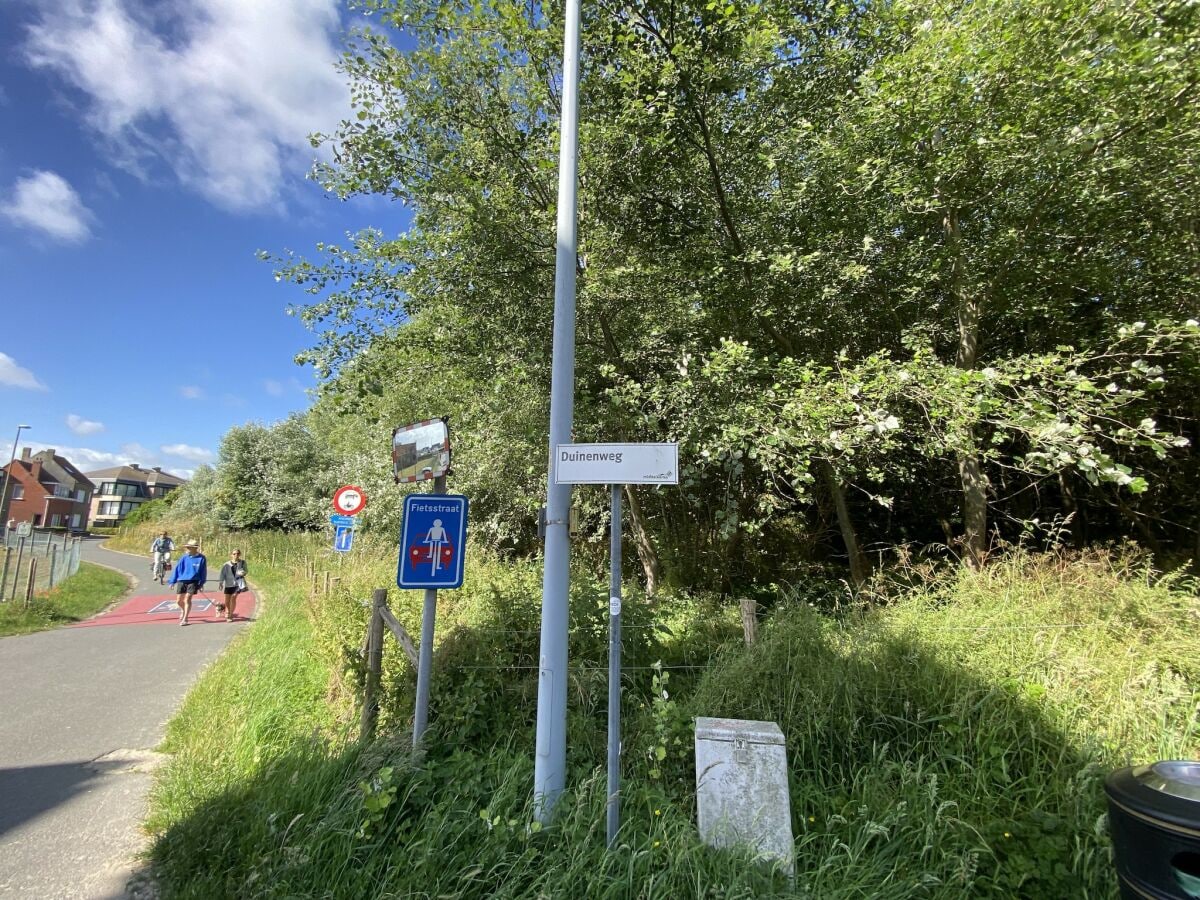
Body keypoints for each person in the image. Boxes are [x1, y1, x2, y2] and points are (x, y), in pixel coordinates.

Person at [167, 539, 207, 626]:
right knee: (178, 601)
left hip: (193, 581)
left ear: (194, 548)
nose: (188, 548)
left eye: (190, 547)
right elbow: (177, 569)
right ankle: (183, 609)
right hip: (182, 580)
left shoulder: (201, 558)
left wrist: (201, 583)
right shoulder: (183, 557)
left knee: (188, 598)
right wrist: (172, 581)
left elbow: (203, 572)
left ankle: (185, 619)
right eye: (187, 547)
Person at [215, 549, 247, 622]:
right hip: (228, 584)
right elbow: (222, 574)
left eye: (238, 553)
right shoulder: (226, 564)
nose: (236, 555)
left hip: (238, 584)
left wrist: (243, 573)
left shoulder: (242, 563)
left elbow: (246, 571)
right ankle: (226, 610)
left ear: (240, 554)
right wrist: (221, 582)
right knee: (227, 600)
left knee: (233, 597)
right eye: (234, 554)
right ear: (231, 555)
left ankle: (230, 614)